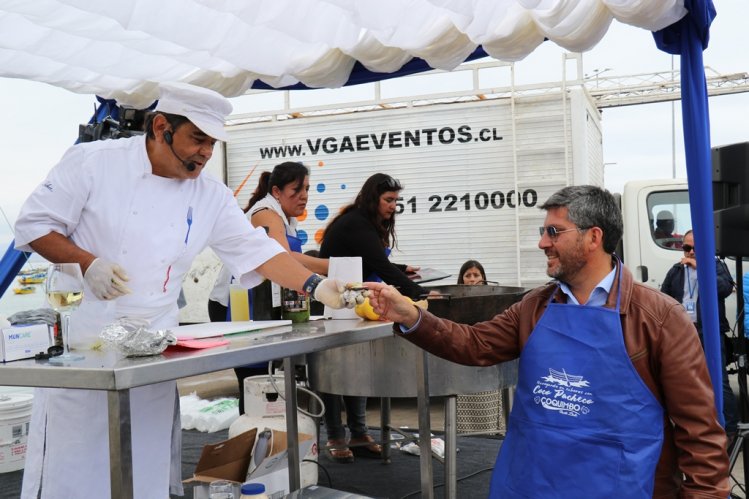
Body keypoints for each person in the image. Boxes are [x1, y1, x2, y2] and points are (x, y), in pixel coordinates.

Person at [13, 82, 355, 499]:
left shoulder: (208, 193)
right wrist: (89, 264)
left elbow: (258, 251)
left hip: (154, 355)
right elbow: (33, 226)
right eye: (197, 139)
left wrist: (317, 286)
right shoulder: (93, 163)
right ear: (161, 127)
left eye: (212, 142)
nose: (206, 153)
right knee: (74, 472)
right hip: (85, 349)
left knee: (143, 472)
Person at [365, 185, 729, 497]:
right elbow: (473, 344)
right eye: (544, 231)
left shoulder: (660, 317)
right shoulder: (534, 307)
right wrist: (411, 316)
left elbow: (699, 428)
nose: (542, 243)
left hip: (623, 487)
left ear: (593, 237)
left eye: (554, 232)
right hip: (534, 484)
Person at [318, 173, 427, 463]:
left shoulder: (363, 222)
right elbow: (378, 263)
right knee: (334, 373)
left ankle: (359, 432)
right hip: (335, 307)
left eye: (396, 201)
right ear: (373, 198)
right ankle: (335, 435)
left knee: (356, 370)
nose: (393, 206)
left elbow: (372, 259)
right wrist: (420, 293)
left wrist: (403, 269)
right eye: (389, 200)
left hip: (353, 304)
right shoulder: (356, 223)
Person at [208, 161, 329, 414]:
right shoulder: (265, 213)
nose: (304, 196)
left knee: (268, 378)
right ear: (276, 191)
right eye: (296, 189)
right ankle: (251, 436)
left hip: (260, 305)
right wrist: (329, 267)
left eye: (307, 188)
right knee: (253, 380)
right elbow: (281, 258)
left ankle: (272, 437)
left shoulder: (285, 217)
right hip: (236, 305)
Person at [660, 229, 738, 436]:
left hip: (709, 332)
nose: (692, 252)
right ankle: (694, 428)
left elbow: (725, 289)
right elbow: (663, 298)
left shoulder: (715, 266)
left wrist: (702, 269)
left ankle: (729, 430)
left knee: (718, 381)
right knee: (684, 381)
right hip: (683, 334)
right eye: (687, 248)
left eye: (697, 248)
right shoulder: (676, 270)